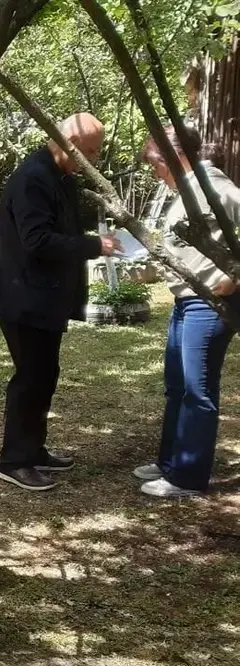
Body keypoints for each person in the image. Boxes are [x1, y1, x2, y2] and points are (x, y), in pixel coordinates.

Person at [0, 112, 121, 492]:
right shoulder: (33, 178)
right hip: (23, 297)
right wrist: (96, 245)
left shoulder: (59, 176)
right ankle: (14, 461)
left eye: (95, 152)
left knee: (45, 375)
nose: (91, 161)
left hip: (42, 297)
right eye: (88, 152)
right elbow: (37, 241)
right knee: (30, 378)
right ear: (65, 143)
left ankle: (34, 449)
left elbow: (60, 230)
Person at [134, 126, 240, 497]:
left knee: (197, 390)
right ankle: (169, 463)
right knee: (177, 385)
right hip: (186, 300)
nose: (155, 173)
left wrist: (234, 279)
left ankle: (188, 477)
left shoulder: (216, 188)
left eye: (155, 164)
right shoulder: (187, 189)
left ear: (175, 157)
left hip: (209, 303)